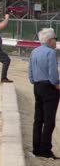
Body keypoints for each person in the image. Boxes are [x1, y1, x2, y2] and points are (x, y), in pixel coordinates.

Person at [29, 28, 60, 159]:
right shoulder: (51, 53)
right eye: (55, 39)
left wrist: (34, 81)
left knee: (38, 119)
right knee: (49, 120)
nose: (56, 42)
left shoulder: (34, 51)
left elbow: (30, 70)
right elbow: (53, 72)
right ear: (49, 40)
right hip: (49, 87)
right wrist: (57, 84)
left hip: (37, 86)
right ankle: (45, 149)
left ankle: (36, 147)